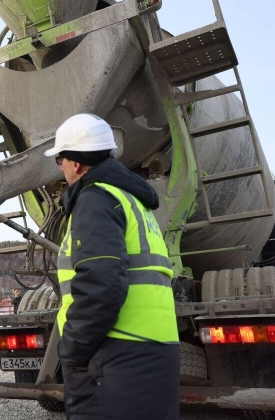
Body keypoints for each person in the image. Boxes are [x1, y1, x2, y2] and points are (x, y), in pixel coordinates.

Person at [45, 113, 179, 419]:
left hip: (115, 357)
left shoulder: (96, 199)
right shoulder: (133, 202)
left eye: (60, 160)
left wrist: (72, 350)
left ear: (76, 163)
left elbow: (101, 284)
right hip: (153, 352)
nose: (61, 168)